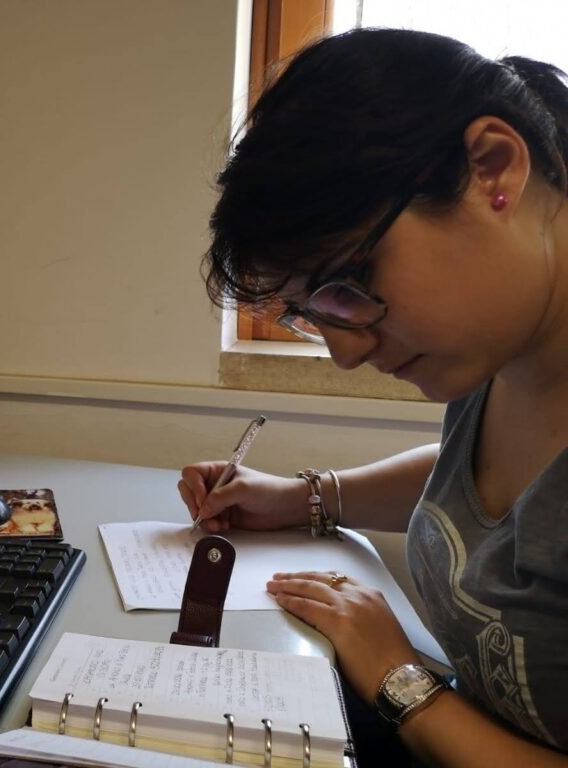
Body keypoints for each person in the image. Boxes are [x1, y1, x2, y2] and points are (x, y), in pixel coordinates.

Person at [177, 28, 568, 768]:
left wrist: (402, 680)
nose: (347, 352)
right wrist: (303, 498)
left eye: (348, 286)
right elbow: (475, 487)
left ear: (493, 167)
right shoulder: (499, 353)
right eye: (312, 314)